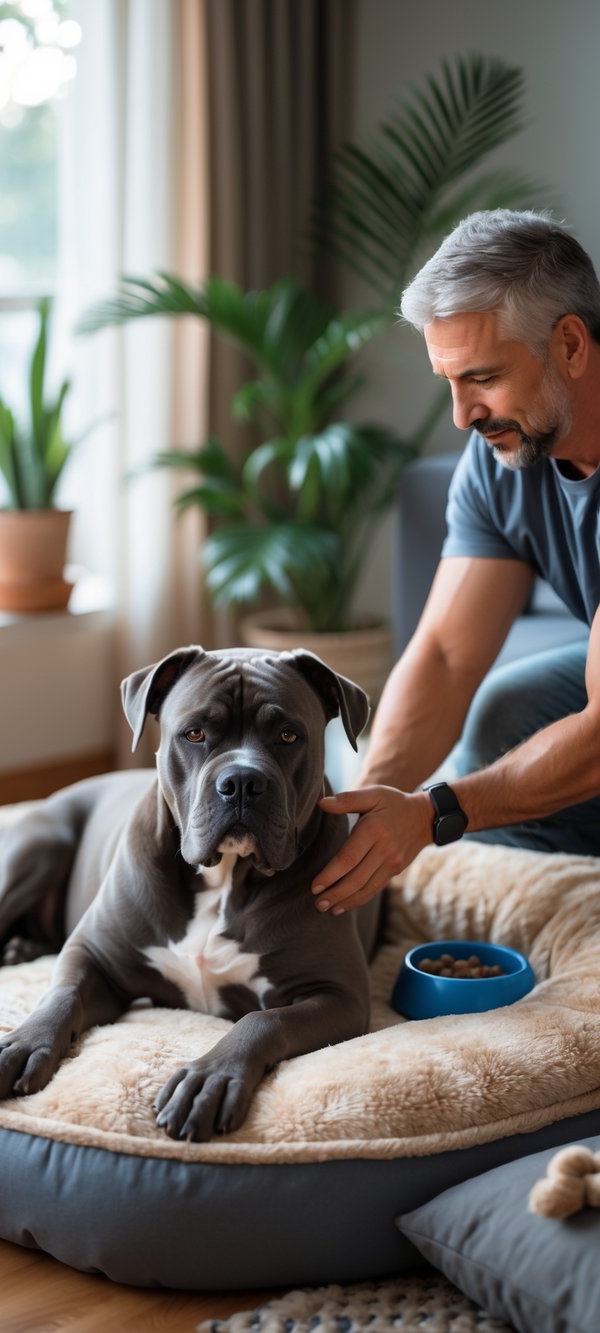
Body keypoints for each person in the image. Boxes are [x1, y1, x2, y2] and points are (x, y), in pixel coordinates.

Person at [311, 208, 600, 917]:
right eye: (449, 380)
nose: (461, 415)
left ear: (569, 344)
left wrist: (435, 809)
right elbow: (443, 656)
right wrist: (361, 822)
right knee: (511, 714)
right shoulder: (503, 455)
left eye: (484, 377)